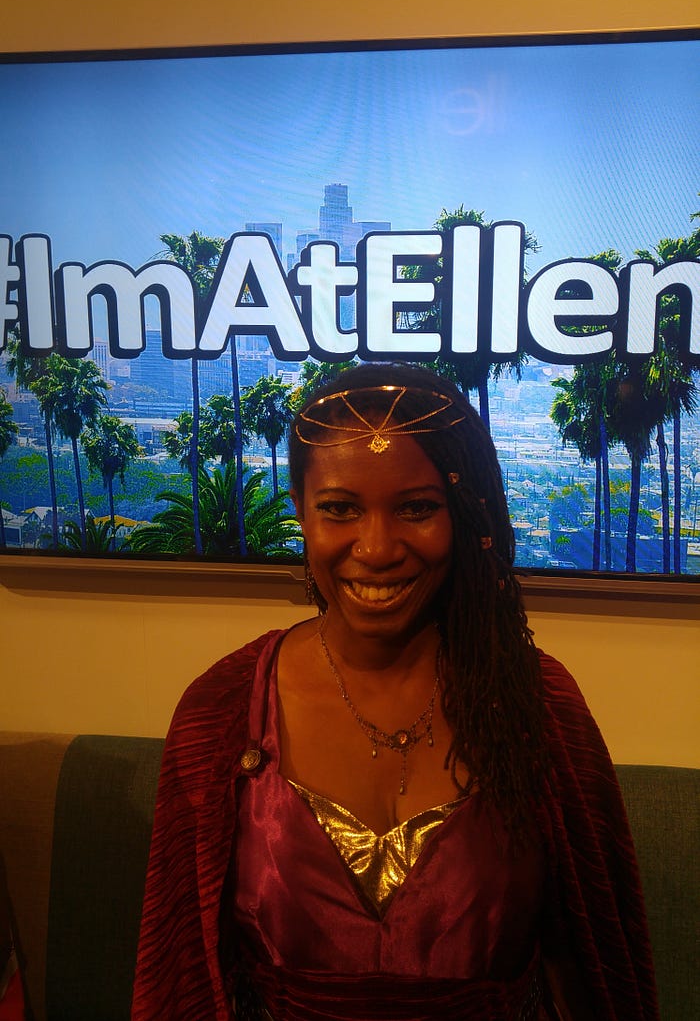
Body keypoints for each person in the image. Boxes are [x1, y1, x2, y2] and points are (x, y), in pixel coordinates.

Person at [132, 362, 658, 1021]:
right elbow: (181, 980)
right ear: (299, 509)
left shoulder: (536, 703)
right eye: (340, 509)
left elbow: (598, 971)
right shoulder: (224, 709)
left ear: (464, 515)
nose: (377, 549)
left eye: (416, 508)